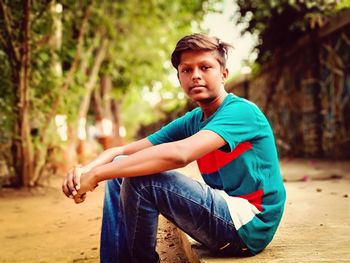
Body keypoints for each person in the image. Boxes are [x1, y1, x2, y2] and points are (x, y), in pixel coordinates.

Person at [62, 33, 286, 263]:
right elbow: (121, 152)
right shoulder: (194, 119)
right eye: (187, 70)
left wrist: (98, 174)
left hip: (250, 225)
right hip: (223, 215)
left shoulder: (241, 112)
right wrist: (85, 170)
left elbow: (181, 154)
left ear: (224, 74)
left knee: (141, 179)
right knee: (122, 168)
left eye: (205, 67)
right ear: (179, 79)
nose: (196, 76)